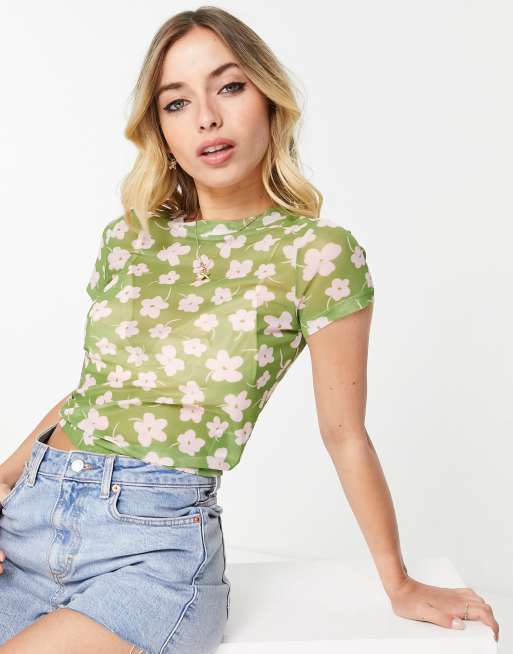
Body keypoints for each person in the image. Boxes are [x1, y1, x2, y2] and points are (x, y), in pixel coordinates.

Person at [0, 6, 499, 653]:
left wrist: (399, 584)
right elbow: (96, 392)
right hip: (28, 518)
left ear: (268, 98)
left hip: (151, 551)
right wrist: (3, 481)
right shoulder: (130, 240)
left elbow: (344, 433)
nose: (206, 117)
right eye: (177, 102)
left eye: (229, 87)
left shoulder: (316, 253)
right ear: (161, 130)